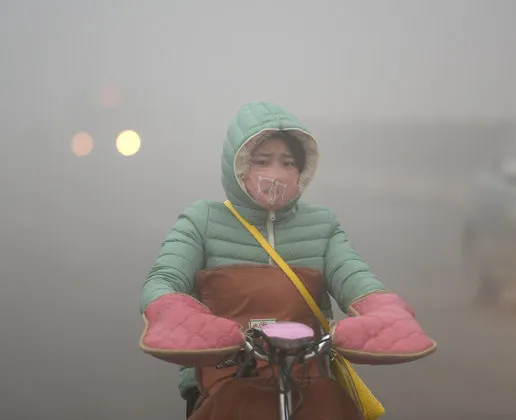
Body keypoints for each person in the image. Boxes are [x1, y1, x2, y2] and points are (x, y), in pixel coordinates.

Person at [138, 102, 436, 419]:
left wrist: (383, 310)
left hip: (308, 379)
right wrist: (181, 315)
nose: (277, 173)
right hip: (222, 381)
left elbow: (357, 279)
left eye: (288, 162)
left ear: (302, 170)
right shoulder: (201, 221)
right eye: (263, 161)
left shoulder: (323, 225)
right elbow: (163, 280)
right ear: (237, 165)